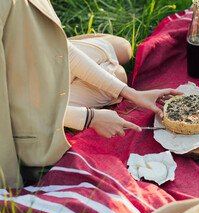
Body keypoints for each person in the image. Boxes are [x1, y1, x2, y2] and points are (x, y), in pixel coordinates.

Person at [0, 0, 181, 188]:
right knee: (118, 74)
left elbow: (62, 52)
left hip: (33, 66)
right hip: (25, 103)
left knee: (122, 49)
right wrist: (89, 118)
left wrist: (132, 94)